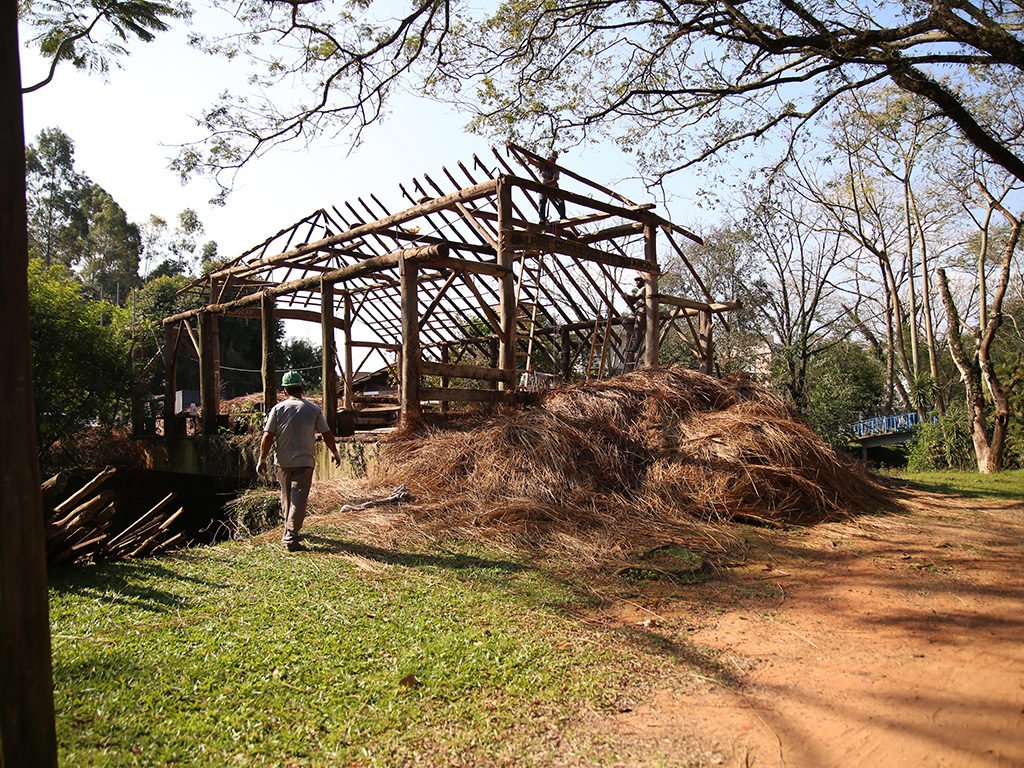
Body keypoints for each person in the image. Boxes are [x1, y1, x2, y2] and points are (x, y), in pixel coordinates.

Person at [256, 371, 341, 552]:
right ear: (302, 389)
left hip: (283, 463)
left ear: (285, 391)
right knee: (299, 501)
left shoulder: (278, 409)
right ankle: (291, 538)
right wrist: (334, 452)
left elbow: (267, 436)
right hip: (304, 462)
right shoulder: (312, 409)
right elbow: (326, 434)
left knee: (287, 498)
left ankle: (289, 530)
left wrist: (262, 458)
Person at [534, 152, 566, 224]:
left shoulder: (556, 168)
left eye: (555, 160)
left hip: (552, 186)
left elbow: (554, 180)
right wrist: (527, 156)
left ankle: (563, 216)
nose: (554, 161)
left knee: (560, 199)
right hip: (543, 186)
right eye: (552, 159)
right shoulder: (543, 165)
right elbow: (533, 162)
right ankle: (542, 219)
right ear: (548, 158)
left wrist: (546, 184)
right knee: (542, 202)